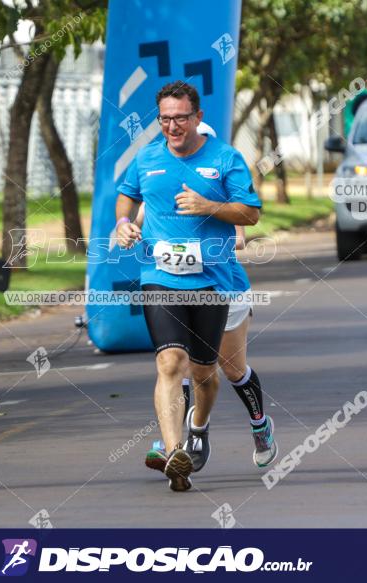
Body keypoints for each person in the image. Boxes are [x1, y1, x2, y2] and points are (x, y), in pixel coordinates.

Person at [116, 81, 261, 492]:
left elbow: (250, 214)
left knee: (204, 374)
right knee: (169, 364)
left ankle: (199, 428)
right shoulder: (146, 159)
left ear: (198, 117)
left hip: (212, 281)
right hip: (159, 276)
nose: (173, 126)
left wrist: (210, 206)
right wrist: (123, 224)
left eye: (181, 117)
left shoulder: (225, 158)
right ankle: (175, 452)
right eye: (165, 119)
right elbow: (125, 198)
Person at [140, 123, 277, 472]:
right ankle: (179, 442)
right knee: (175, 364)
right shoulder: (162, 176)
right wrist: (132, 227)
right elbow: (141, 217)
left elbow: (241, 231)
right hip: (175, 286)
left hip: (223, 288)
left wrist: (208, 211)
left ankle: (260, 426)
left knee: (229, 369)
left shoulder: (221, 179)